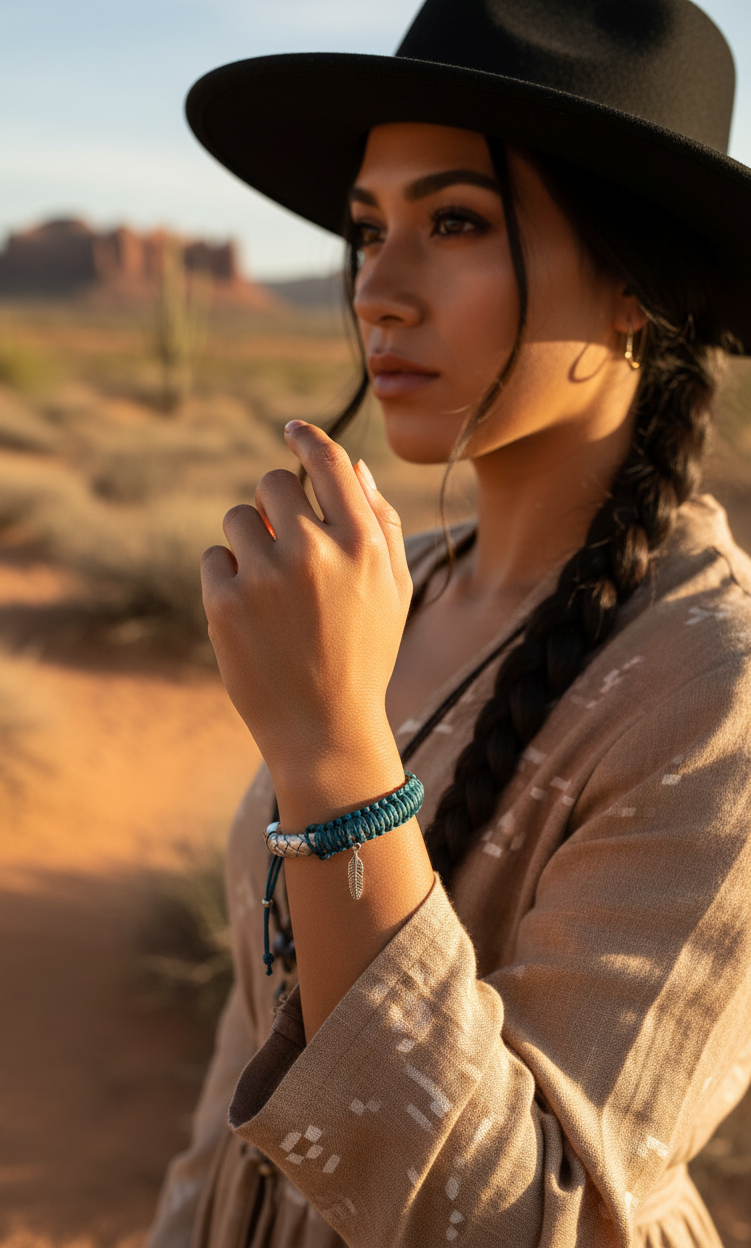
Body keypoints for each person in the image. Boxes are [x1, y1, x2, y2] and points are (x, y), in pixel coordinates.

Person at [149, 2, 751, 1245]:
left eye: (457, 222)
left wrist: (333, 756)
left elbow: (531, 1215)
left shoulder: (714, 694)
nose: (378, 290)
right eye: (369, 230)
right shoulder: (390, 588)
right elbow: (249, 1038)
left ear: (634, 286)